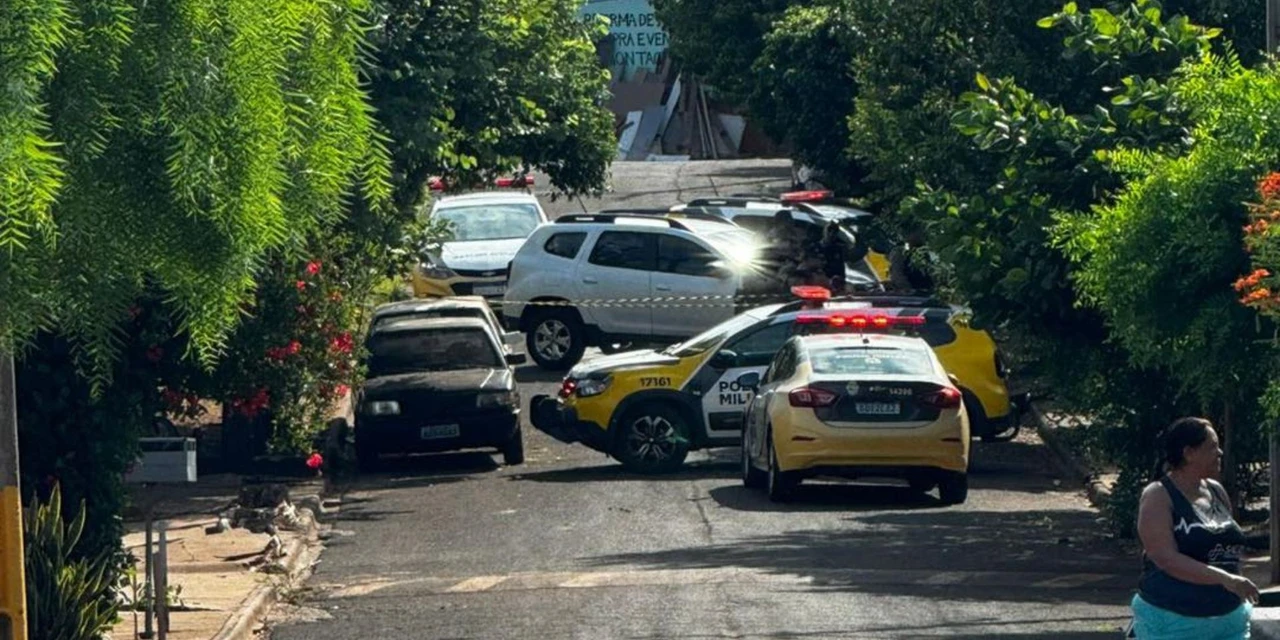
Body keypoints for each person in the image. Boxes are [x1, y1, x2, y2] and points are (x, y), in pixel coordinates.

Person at [1132, 417, 1257, 639]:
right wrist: (1225, 579)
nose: (1219, 453)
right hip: (1172, 622)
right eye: (1212, 447)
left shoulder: (1216, 491)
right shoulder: (1158, 495)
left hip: (1230, 621)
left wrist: (1235, 582)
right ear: (1189, 453)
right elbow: (1165, 558)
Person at [887, 226, 934, 293]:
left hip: (928, 290)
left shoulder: (927, 250)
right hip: (912, 292)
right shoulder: (901, 252)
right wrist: (907, 289)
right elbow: (897, 273)